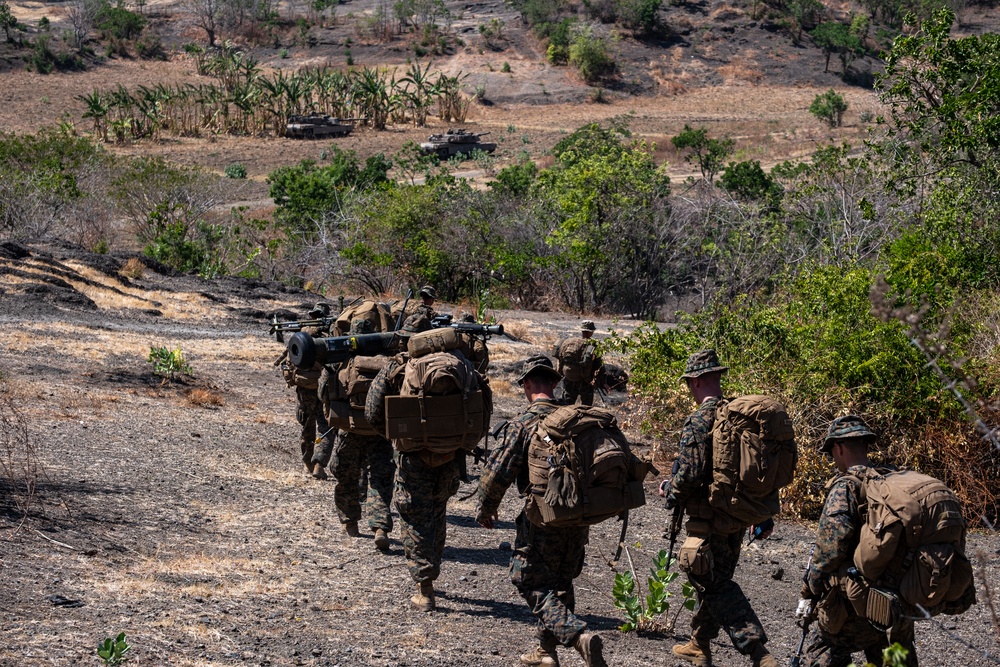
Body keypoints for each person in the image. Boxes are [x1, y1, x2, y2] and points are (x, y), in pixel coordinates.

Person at [475, 355, 607, 667]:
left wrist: (486, 508)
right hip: (579, 516)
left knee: (528, 578)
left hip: (542, 517)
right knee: (561, 580)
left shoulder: (524, 423)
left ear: (526, 384)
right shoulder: (575, 419)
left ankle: (578, 637)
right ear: (556, 383)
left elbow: (497, 473)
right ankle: (546, 651)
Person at [665, 349, 778, 667]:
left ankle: (759, 653)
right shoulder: (741, 417)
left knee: (711, 581)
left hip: (708, 517)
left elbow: (688, 473)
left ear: (699, 381)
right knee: (715, 576)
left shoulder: (701, 419)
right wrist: (763, 514)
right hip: (738, 515)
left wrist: (671, 493)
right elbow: (752, 469)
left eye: (689, 382)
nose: (689, 388)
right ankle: (699, 643)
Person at [364, 338, 475, 611]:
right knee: (438, 510)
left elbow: (372, 412)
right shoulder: (462, 364)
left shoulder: (399, 366)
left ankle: (424, 588)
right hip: (450, 456)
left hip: (413, 457)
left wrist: (398, 437)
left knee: (414, 517)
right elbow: (481, 409)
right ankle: (433, 565)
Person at [799, 416, 918, 667]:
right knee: (894, 657)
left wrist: (811, 587)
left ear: (839, 448)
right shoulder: (893, 481)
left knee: (823, 650)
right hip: (898, 603)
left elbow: (830, 548)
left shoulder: (845, 487)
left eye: (832, 452)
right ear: (866, 445)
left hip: (857, 605)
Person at [328, 319, 395, 547]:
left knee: (347, 477)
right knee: (380, 480)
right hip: (380, 433)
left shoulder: (343, 362)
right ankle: (379, 528)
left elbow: (324, 393)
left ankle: (350, 523)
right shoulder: (388, 364)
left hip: (349, 431)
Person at [294, 303, 334, 480]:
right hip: (324, 388)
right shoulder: (329, 337)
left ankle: (307, 463)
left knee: (307, 426)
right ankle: (319, 463)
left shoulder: (301, 336)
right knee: (325, 427)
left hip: (305, 388)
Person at [553, 321, 605, 406]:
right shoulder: (592, 346)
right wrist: (602, 381)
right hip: (584, 381)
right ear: (591, 332)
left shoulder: (568, 342)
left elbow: (559, 359)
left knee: (567, 405)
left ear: (582, 330)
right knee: (586, 407)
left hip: (568, 378)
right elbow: (599, 365)